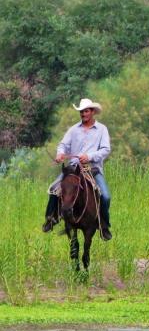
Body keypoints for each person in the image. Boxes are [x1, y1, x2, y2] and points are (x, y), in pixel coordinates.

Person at [42, 98, 112, 240]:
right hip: (73, 168)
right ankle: (51, 219)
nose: (83, 114)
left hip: (92, 169)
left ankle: (103, 225)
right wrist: (60, 154)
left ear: (92, 112)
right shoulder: (73, 130)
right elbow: (63, 145)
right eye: (81, 112)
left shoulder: (102, 129)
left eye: (85, 111)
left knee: (105, 196)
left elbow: (106, 150)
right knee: (54, 189)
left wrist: (90, 156)